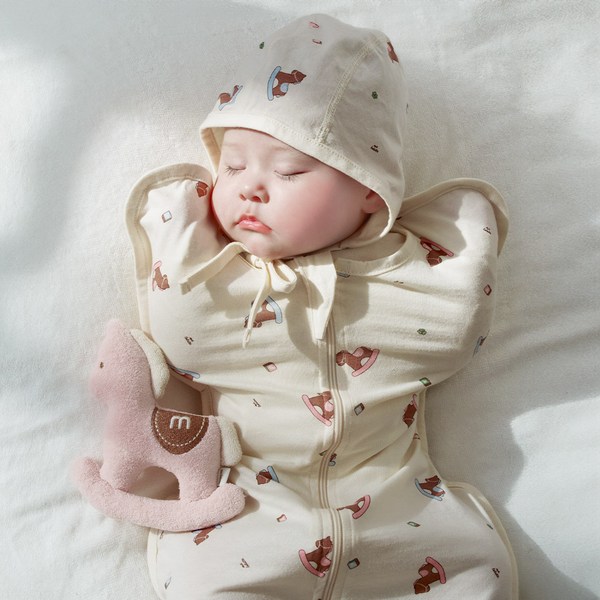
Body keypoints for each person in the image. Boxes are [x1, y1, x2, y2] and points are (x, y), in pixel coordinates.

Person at [126, 13, 517, 599]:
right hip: (244, 518)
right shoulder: (212, 276)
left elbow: (454, 335)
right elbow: (181, 340)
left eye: (289, 170)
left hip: (404, 513)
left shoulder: (416, 274)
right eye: (233, 165)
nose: (249, 187)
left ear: (370, 189)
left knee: (478, 572)